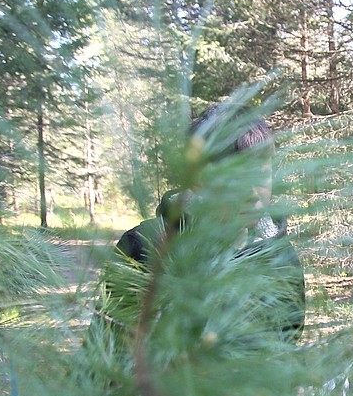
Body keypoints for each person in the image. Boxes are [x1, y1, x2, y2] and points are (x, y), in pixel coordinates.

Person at [99, 107, 306, 342]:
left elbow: (287, 350)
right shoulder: (144, 246)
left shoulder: (280, 256)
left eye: (260, 175)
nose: (252, 192)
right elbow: (106, 352)